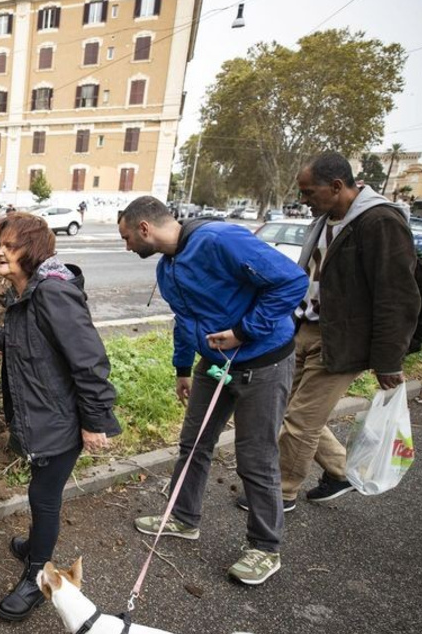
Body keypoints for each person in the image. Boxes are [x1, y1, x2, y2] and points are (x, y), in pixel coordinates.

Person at [116, 196, 308, 586]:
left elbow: (292, 281)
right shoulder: (168, 270)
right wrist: (183, 368)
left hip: (263, 360)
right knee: (194, 443)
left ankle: (265, 548)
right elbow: (185, 321)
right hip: (214, 364)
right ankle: (184, 519)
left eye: (126, 238)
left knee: (255, 458)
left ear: (144, 229)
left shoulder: (220, 240)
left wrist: (243, 331)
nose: (126, 247)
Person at [0, 212, 121, 622]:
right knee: (40, 490)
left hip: (60, 419)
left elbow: (90, 360)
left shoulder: (53, 293)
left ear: (33, 251)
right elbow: (18, 337)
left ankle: (37, 575)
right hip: (44, 417)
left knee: (44, 497)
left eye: (9, 246)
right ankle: (35, 548)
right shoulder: (26, 293)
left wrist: (95, 421)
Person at [266, 152, 420, 507]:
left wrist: (389, 360)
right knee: (294, 411)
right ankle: (341, 472)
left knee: (300, 421)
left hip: (342, 338)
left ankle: (279, 494)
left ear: (337, 187)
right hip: (305, 327)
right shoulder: (325, 218)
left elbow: (396, 296)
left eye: (309, 193)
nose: (303, 201)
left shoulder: (380, 221)